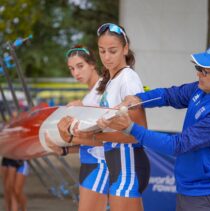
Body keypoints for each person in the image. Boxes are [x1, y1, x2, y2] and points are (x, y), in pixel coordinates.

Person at [97, 42, 210, 211]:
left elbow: (178, 145)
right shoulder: (202, 88)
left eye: (204, 70)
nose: (198, 74)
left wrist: (130, 128)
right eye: (198, 67)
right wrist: (139, 98)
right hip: (191, 189)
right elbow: (169, 95)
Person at [60, 23, 150, 211]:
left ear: (125, 49)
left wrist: (86, 136)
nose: (106, 57)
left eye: (112, 51)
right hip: (118, 167)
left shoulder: (128, 78)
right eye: (102, 51)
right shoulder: (111, 81)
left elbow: (138, 133)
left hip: (128, 167)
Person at [45, 45, 109, 211]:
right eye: (72, 69)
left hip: (100, 164)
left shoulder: (103, 92)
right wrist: (64, 149)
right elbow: (88, 141)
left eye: (80, 66)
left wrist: (71, 135)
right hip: (89, 163)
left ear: (92, 64)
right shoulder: (89, 96)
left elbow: (108, 138)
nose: (75, 73)